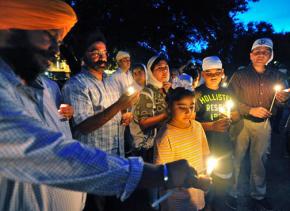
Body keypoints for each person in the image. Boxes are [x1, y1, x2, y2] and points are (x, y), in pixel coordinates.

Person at [0, 0, 211, 210]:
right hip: (98, 174)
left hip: (109, 165)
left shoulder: (48, 88)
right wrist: (161, 175)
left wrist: (124, 114)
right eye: (49, 37)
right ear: (9, 30)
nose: (56, 50)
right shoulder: (73, 85)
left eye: (59, 41)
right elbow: (50, 154)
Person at [228, 38, 290, 210]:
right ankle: (232, 191)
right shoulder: (239, 75)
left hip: (263, 124)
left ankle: (258, 194)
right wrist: (249, 109)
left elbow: (280, 103)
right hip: (241, 122)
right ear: (251, 55)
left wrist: (283, 100)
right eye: (257, 51)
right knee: (236, 157)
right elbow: (230, 98)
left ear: (271, 55)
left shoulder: (277, 76)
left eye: (266, 51)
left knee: (260, 160)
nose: (261, 55)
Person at [154, 87, 210, 211]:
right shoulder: (165, 136)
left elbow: (205, 154)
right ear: (169, 108)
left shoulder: (197, 127)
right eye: (182, 107)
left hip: (198, 193)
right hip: (176, 200)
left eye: (192, 106)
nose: (188, 111)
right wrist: (194, 181)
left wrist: (206, 174)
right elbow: (163, 174)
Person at [195, 56, 239, 210]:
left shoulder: (228, 92)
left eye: (217, 72)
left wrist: (231, 117)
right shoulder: (196, 94)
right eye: (209, 72)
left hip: (224, 144)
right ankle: (205, 205)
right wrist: (211, 126)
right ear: (202, 74)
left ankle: (219, 203)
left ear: (223, 72)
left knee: (222, 179)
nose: (213, 76)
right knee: (204, 180)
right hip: (205, 145)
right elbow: (189, 123)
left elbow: (235, 114)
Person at [131, 55, 171, 162]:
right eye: (159, 68)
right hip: (149, 148)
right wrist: (166, 115)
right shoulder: (147, 92)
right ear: (151, 72)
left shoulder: (166, 90)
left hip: (165, 144)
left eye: (166, 67)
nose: (164, 71)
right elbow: (144, 123)